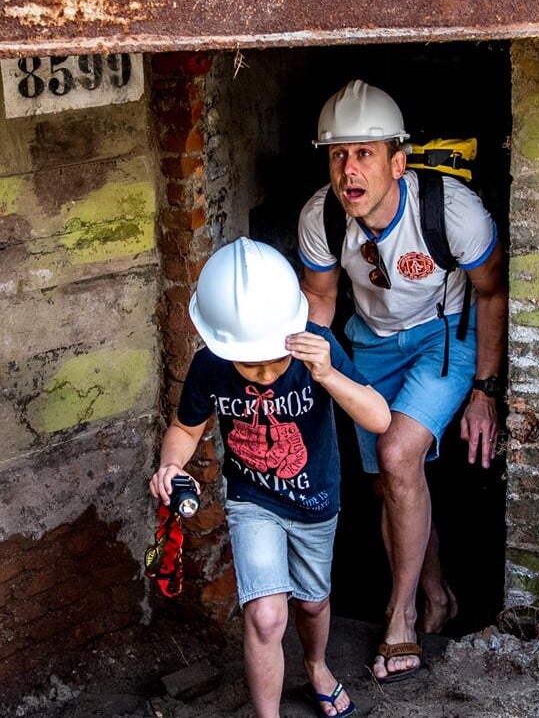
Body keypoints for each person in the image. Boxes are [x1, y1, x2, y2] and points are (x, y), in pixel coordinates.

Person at [295, 79, 506, 684]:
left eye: (364, 153)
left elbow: (492, 291)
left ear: (397, 160)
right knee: (393, 480)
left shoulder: (450, 210)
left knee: (396, 451)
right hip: (371, 343)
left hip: (444, 336)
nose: (349, 169)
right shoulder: (324, 215)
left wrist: (484, 392)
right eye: (338, 154)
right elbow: (320, 299)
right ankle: (436, 593)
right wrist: (302, 370)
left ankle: (400, 615)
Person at [150, 238, 391, 718]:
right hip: (252, 500)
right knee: (265, 615)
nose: (261, 375)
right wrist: (171, 465)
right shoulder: (211, 363)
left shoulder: (316, 349)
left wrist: (328, 376)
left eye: (271, 362)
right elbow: (185, 427)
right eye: (249, 363)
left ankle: (317, 665)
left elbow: (379, 418)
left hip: (316, 501)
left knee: (313, 605)